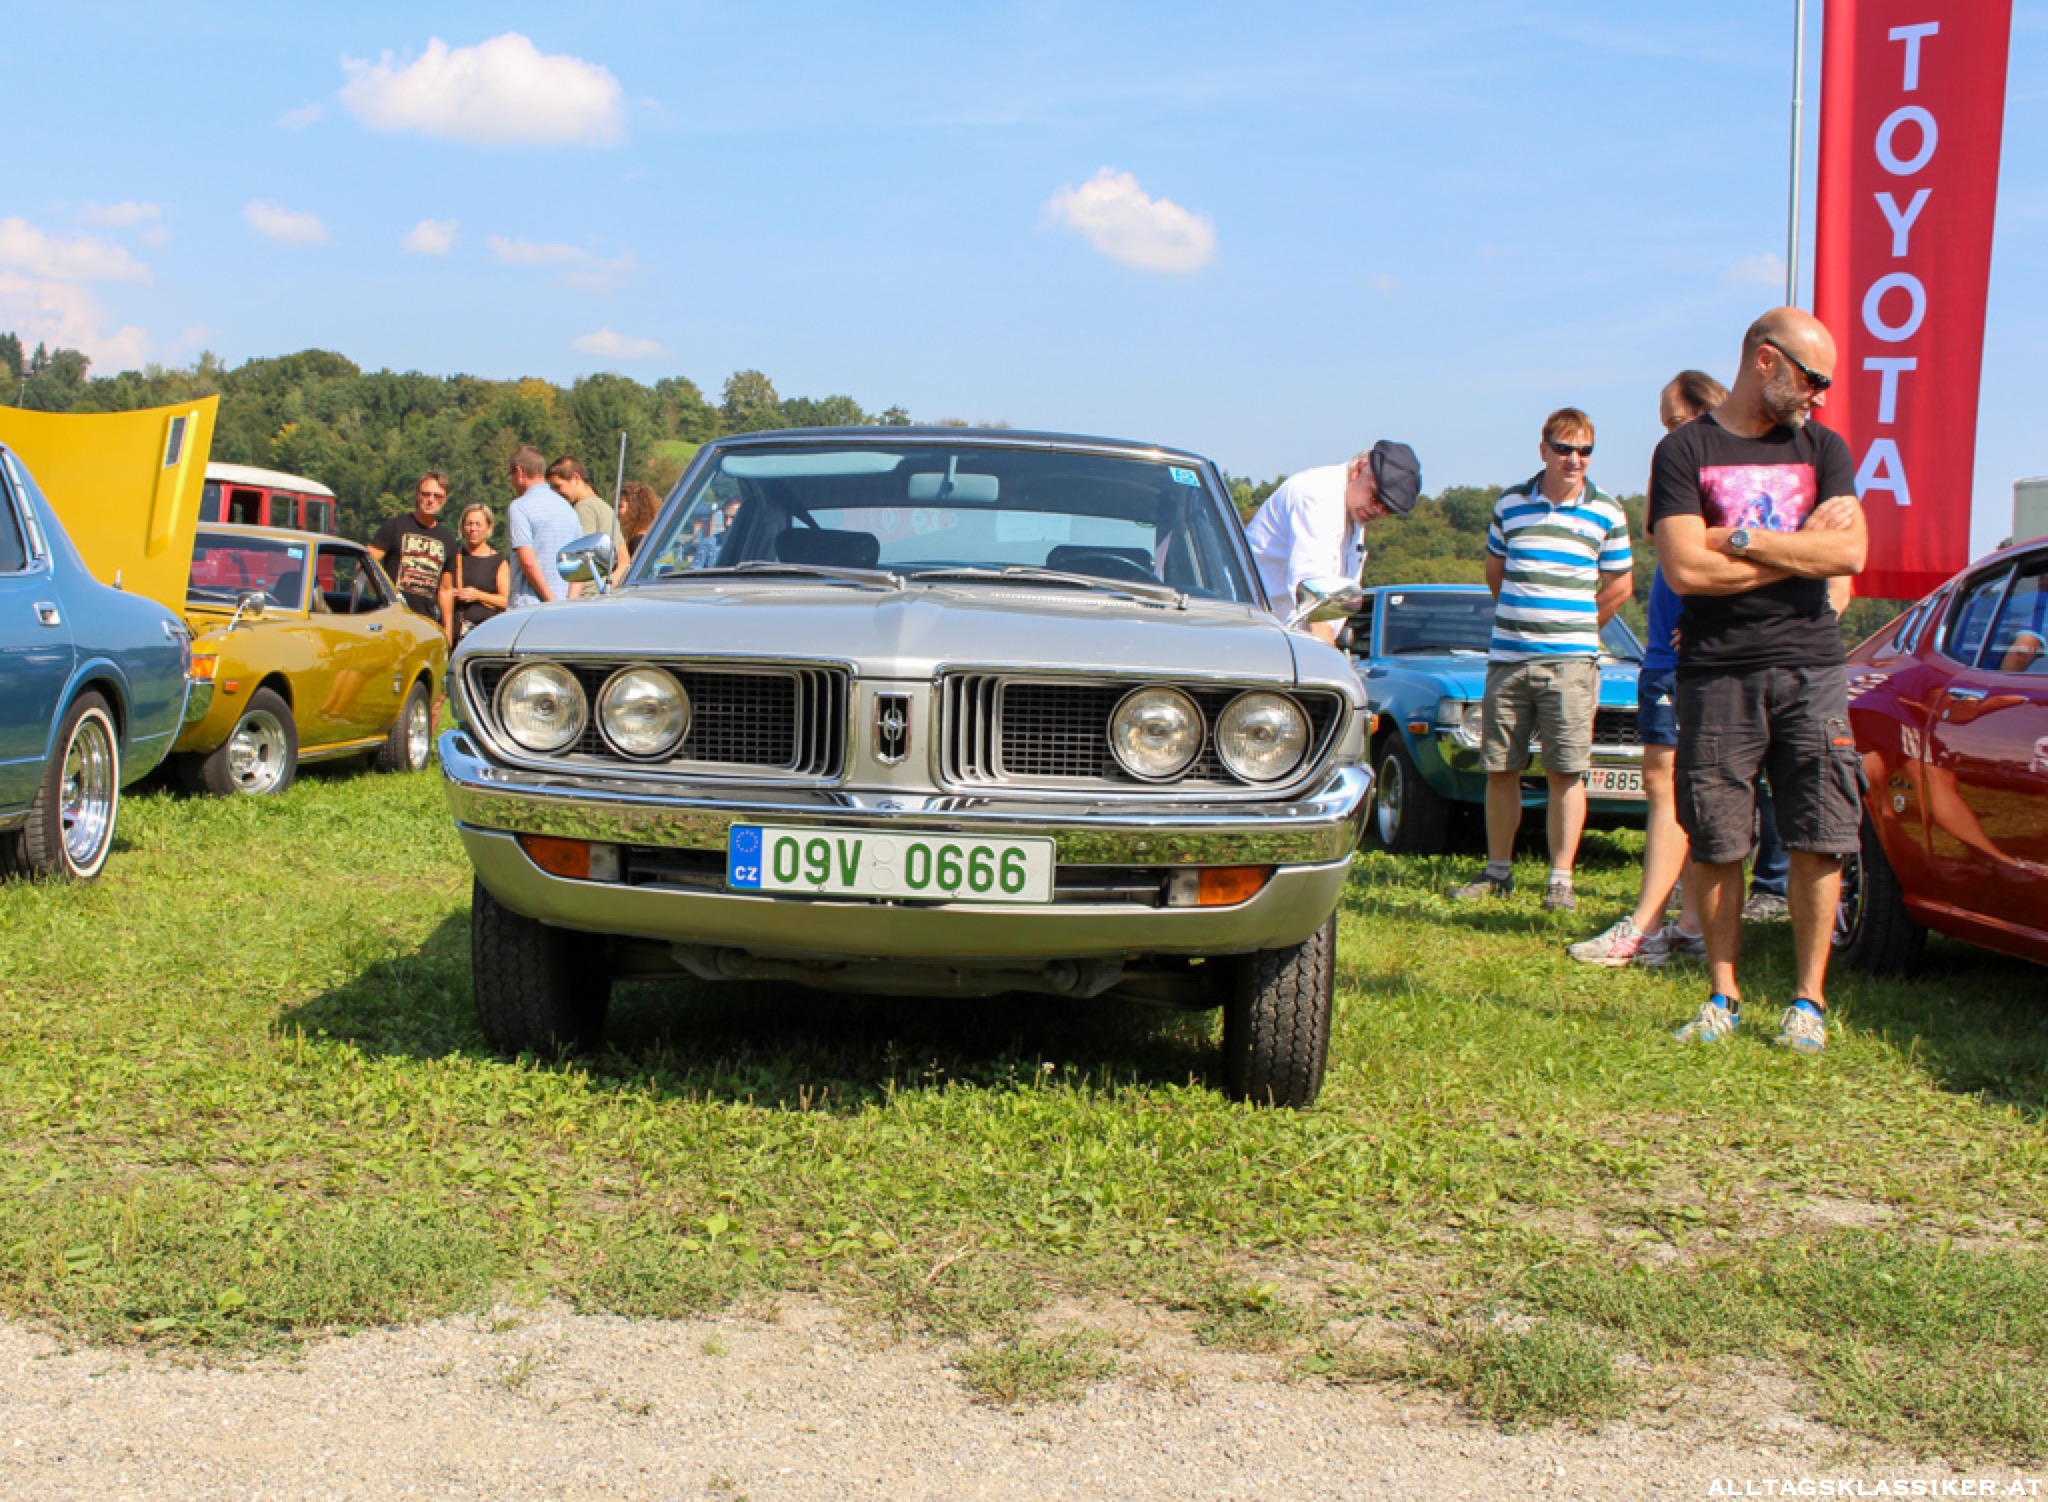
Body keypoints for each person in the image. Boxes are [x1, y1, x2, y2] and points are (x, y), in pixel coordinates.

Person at [1651, 307, 1867, 1053]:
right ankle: (1723, 996)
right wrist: (1799, 550)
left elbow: (1850, 555)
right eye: (1813, 378)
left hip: (1812, 666)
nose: (1821, 395)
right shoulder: (1685, 450)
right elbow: (1687, 568)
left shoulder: (1824, 448)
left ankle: (1808, 1002)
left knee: (1819, 835)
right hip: (1716, 672)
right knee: (1717, 838)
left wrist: (1740, 538)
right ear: (1766, 361)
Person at [1570, 371, 1726, 967]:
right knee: (1675, 787)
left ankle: (1646, 927)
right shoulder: (1684, 471)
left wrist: (1708, 617)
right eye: (1664, 426)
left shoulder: (1718, 480)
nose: (1667, 437)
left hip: (1682, 659)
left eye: (1675, 422)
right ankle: (1686, 923)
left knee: (1669, 787)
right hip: (1663, 650)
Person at [1451, 409, 1633, 913]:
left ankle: (1560, 880)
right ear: (1544, 450)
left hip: (1571, 663)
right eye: (1564, 449)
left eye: (1584, 450)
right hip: (1509, 658)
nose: (1574, 459)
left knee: (1566, 771)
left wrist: (1579, 626)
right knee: (1501, 767)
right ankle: (1498, 871)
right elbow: (1495, 572)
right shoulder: (1510, 504)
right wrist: (1525, 620)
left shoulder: (1608, 511)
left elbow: (1620, 584)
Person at [1243, 440, 1421, 642]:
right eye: (1376, 497)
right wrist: (1329, 654)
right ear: (1359, 469)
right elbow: (1313, 597)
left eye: (1388, 509)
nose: (1378, 510)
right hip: (1260, 632)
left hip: (1284, 635)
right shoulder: (1319, 496)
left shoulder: (1353, 510)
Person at [367, 472, 457, 622]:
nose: (431, 500)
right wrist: (381, 592)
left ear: (445, 499)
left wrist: (447, 629)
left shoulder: (448, 540)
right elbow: (366, 563)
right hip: (392, 617)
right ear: (417, 495)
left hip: (425, 622)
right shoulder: (395, 526)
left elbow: (446, 589)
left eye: (437, 496)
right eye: (426, 494)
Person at [506, 445, 584, 608]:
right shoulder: (568, 508)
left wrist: (550, 601)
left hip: (529, 607)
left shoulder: (519, 507)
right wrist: (569, 601)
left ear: (519, 472)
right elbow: (581, 562)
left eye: (510, 475)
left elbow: (528, 562)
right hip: (565, 606)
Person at [547, 456, 630, 585]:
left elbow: (580, 559)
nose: (555, 493)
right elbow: (624, 560)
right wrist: (609, 586)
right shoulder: (605, 507)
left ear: (576, 478)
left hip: (588, 591)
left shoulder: (584, 508)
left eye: (558, 486)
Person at [439, 502, 510, 644]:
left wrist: (477, 595)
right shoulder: (454, 557)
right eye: (469, 524)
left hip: (485, 633)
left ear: (489, 528)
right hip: (454, 632)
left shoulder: (498, 562)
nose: (473, 529)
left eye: (478, 524)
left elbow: (506, 601)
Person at [617, 480, 662, 561]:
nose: (617, 512)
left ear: (634, 509)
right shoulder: (652, 537)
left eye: (620, 506)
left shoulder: (638, 542)